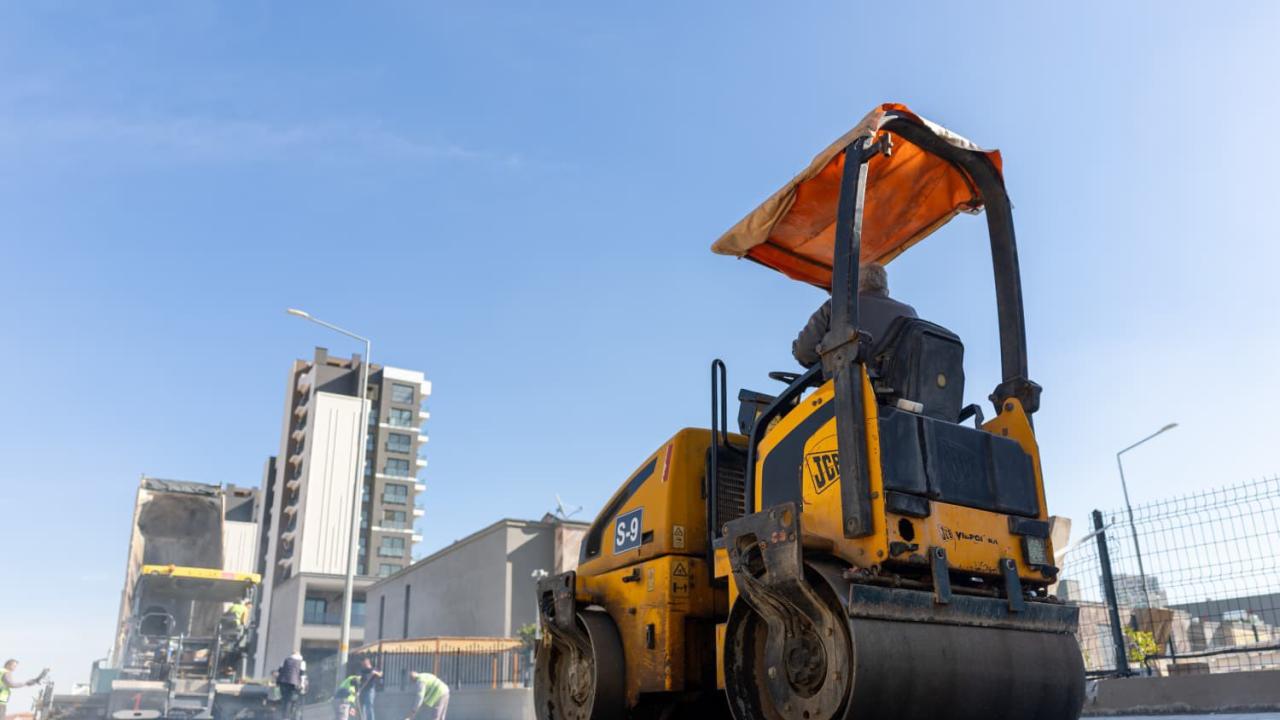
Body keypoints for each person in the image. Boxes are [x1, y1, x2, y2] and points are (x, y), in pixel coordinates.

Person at [792, 262, 917, 368]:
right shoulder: (909, 313)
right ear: (886, 291)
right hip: (901, 391)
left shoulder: (836, 306)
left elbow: (804, 352)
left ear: (855, 287)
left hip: (848, 389)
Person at [277, 651, 306, 720]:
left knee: (284, 699)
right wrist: (302, 685)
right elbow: (302, 674)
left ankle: (283, 716)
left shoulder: (285, 660)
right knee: (290, 700)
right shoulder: (302, 662)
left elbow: (279, 670)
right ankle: (287, 717)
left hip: (282, 682)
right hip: (293, 683)